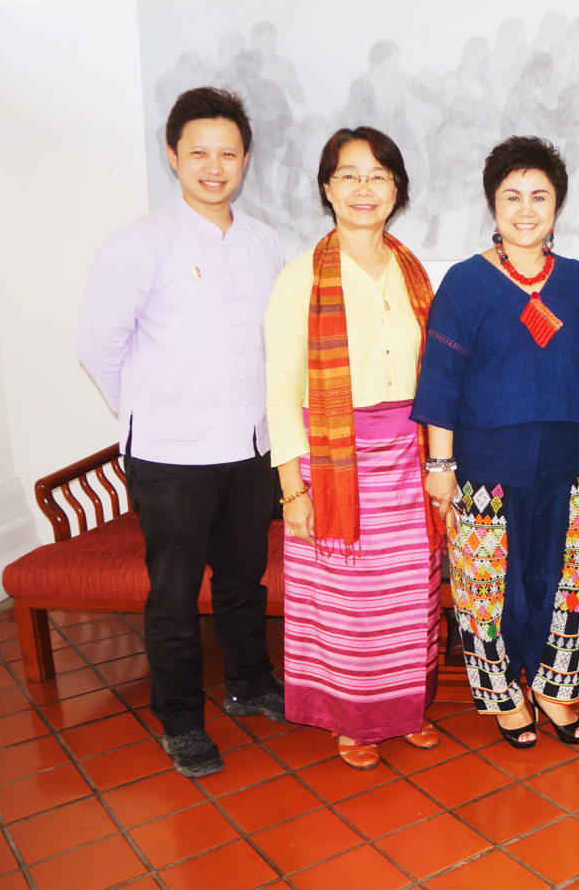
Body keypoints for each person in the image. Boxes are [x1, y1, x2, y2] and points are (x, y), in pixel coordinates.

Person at [75, 88, 286, 778]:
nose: (213, 167)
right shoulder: (139, 243)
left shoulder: (265, 242)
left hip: (250, 449)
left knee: (243, 580)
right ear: (173, 156)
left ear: (245, 159)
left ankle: (249, 683)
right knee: (173, 593)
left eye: (227, 153)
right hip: (170, 456)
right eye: (199, 152)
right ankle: (181, 720)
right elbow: (98, 345)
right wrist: (147, 412)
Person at [413, 137, 579, 749]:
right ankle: (505, 695)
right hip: (485, 466)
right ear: (493, 205)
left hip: (565, 463)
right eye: (512, 197)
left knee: (561, 583)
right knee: (491, 590)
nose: (525, 210)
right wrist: (440, 463)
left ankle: (554, 690)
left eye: (539, 196)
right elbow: (440, 381)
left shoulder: (577, 280)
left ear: (556, 206)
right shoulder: (465, 283)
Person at [265, 127, 445, 769]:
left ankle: (406, 709)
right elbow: (281, 390)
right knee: (348, 603)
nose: (363, 188)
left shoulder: (414, 272)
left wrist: (441, 462)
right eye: (349, 175)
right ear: (327, 188)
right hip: (333, 464)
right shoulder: (300, 278)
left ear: (396, 189)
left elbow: (440, 377)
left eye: (378, 175)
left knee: (409, 595)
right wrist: (293, 489)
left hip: (409, 459)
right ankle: (354, 718)